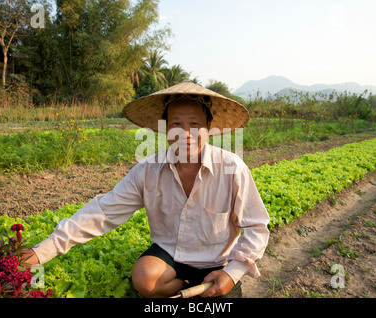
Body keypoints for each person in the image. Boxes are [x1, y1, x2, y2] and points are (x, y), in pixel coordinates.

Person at [23, 82, 270, 298]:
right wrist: (43, 250)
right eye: (176, 124)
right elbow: (103, 212)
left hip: (217, 261)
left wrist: (232, 272)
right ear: (164, 128)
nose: (185, 134)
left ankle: (207, 284)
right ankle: (183, 287)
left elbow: (256, 227)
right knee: (144, 277)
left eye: (195, 124)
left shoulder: (232, 168)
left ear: (209, 127)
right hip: (171, 256)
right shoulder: (148, 170)